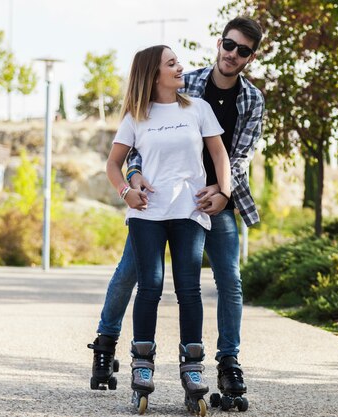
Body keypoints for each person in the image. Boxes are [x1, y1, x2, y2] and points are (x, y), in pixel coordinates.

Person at [88, 16, 263, 411]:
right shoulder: (190, 84)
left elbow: (237, 157)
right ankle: (107, 343)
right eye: (229, 45)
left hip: (209, 200)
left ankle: (226, 362)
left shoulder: (250, 100)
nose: (233, 54)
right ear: (220, 44)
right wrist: (130, 184)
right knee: (134, 275)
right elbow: (132, 152)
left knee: (227, 281)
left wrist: (222, 192)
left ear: (251, 57)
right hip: (155, 204)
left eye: (243, 50)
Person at [103, 44, 231, 414]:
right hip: (147, 214)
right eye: (171, 63)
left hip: (189, 211)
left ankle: (192, 369)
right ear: (153, 74)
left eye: (178, 61)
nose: (180, 68)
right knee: (151, 286)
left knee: (189, 289)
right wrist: (126, 191)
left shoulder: (198, 109)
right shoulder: (136, 116)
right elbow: (113, 163)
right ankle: (142, 364)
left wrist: (223, 191)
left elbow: (219, 154)